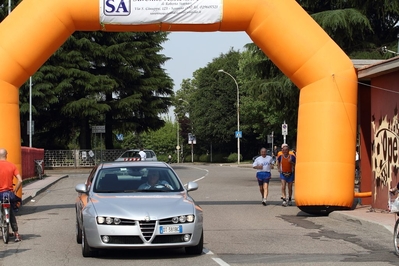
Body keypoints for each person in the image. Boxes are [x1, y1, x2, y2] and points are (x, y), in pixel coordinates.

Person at [0, 148, 22, 242]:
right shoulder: (12, 166)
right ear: (6, 155)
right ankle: (16, 233)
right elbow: (20, 180)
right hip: (9, 194)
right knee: (11, 210)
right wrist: (15, 190)